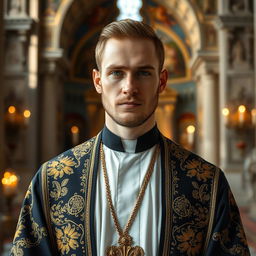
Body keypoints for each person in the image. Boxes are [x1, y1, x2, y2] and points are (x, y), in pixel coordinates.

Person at [11, 19, 250, 256]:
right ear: (97, 81)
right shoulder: (52, 181)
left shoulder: (207, 184)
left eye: (143, 73)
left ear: (162, 81)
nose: (129, 87)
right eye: (116, 73)